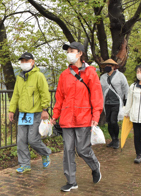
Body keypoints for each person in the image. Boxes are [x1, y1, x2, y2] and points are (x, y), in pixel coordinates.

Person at [50, 42, 104, 191]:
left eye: (72, 51)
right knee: (67, 150)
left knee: (82, 150)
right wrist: (55, 115)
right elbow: (59, 98)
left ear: (80, 53)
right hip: (67, 119)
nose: (69, 54)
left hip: (84, 117)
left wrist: (96, 115)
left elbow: (97, 96)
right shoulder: (64, 75)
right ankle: (71, 181)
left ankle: (94, 166)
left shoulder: (90, 73)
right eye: (68, 51)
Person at [8, 52, 52, 173]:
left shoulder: (39, 76)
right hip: (23, 114)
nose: (24, 63)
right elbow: (16, 94)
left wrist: (45, 109)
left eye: (26, 61)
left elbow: (45, 93)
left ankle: (45, 153)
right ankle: (24, 164)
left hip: (36, 113)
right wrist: (12, 110)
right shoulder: (20, 77)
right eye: (22, 61)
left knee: (33, 140)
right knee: (21, 140)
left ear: (32, 62)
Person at [100, 59, 129, 149]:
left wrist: (127, 100)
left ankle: (116, 139)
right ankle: (112, 139)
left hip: (116, 102)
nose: (107, 66)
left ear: (114, 67)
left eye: (110, 65)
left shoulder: (120, 76)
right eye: (106, 65)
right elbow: (100, 89)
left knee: (113, 121)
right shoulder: (103, 77)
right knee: (109, 122)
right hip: (106, 102)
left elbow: (125, 88)